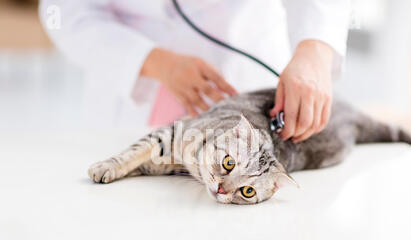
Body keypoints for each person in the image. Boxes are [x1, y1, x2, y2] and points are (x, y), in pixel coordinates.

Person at [40, 0, 350, 142]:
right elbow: (65, 11)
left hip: (248, 72)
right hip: (134, 101)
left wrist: (315, 49)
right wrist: (152, 61)